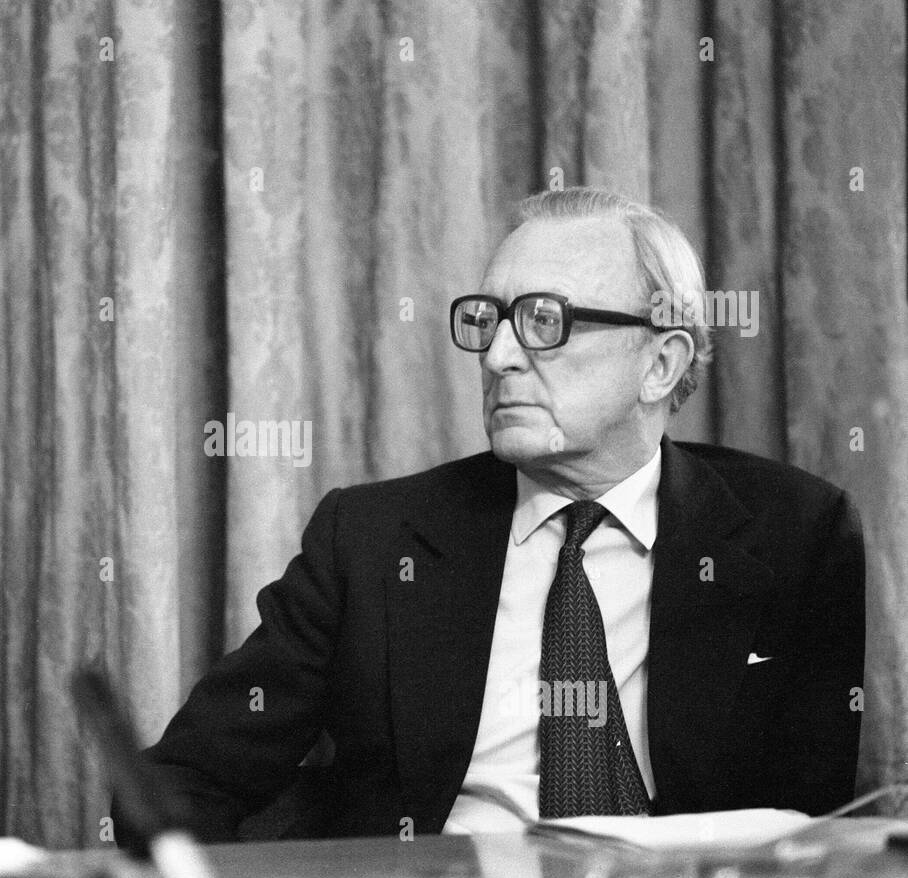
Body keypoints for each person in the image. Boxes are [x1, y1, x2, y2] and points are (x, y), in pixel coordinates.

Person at [135, 187, 865, 842]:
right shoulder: (370, 539)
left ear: (661, 363)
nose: (498, 356)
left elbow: (807, 824)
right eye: (489, 320)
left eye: (544, 320)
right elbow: (191, 776)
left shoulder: (794, 535)